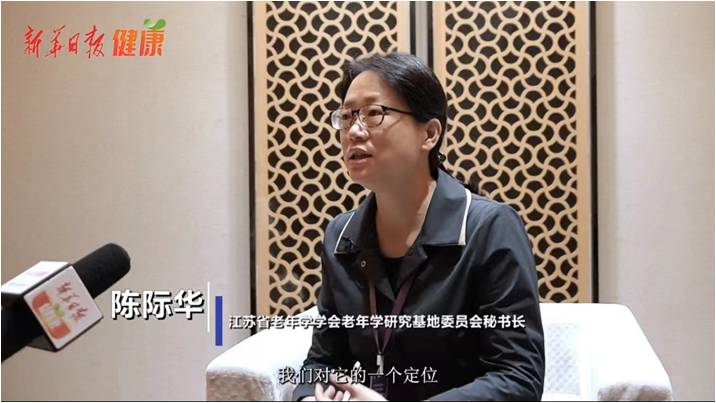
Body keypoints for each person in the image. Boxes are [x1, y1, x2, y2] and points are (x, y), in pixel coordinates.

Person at [292, 52, 545, 401]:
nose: (354, 131)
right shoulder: (341, 236)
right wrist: (311, 397)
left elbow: (518, 377)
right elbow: (322, 361)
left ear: (429, 133)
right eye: (347, 116)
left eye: (374, 113)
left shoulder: (488, 228)